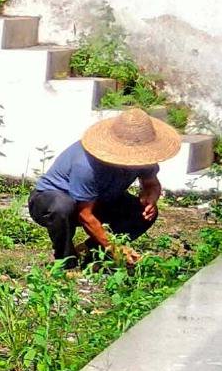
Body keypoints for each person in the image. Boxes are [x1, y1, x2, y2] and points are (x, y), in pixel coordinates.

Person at [27, 108, 178, 266]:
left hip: (100, 199)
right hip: (52, 201)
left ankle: (91, 249)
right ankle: (65, 259)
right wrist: (115, 248)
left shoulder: (144, 157)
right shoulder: (86, 165)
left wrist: (151, 198)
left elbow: (151, 183)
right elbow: (84, 214)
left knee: (143, 213)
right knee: (62, 206)